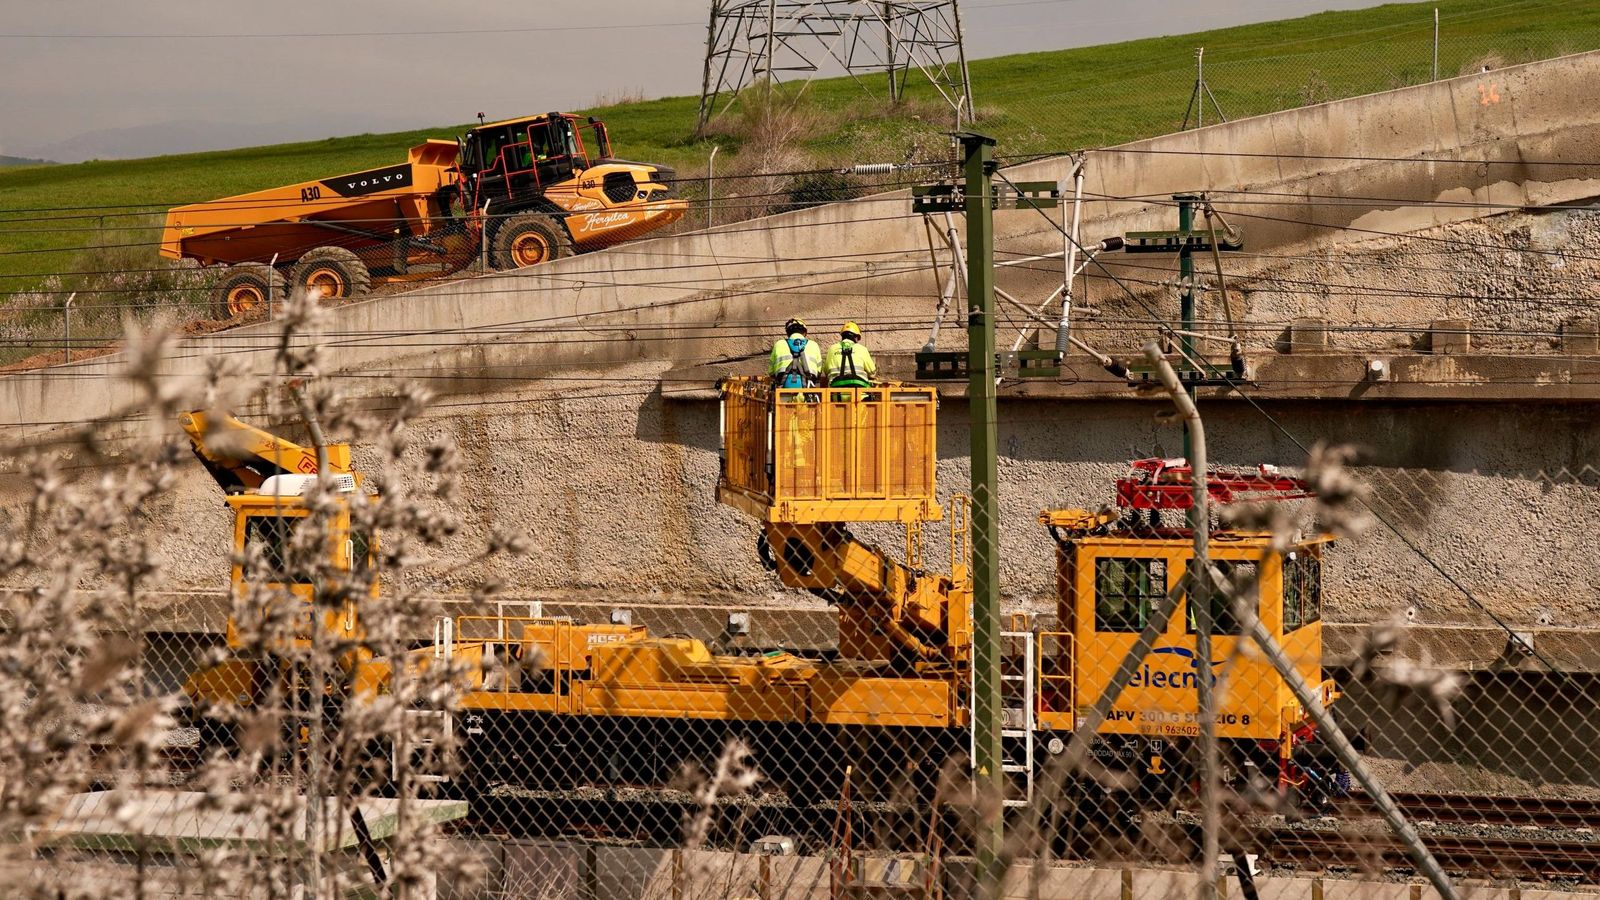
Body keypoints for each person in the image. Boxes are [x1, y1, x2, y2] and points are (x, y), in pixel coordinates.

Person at [768, 317, 822, 388]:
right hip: (808, 388)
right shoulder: (814, 345)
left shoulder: (779, 344)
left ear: (788, 333)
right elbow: (819, 371)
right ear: (805, 333)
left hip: (783, 387)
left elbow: (771, 371)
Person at [824, 321, 877, 388]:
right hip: (859, 391)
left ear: (843, 336)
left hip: (836, 391)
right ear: (855, 337)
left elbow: (826, 371)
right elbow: (872, 373)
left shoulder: (832, 349)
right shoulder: (862, 349)